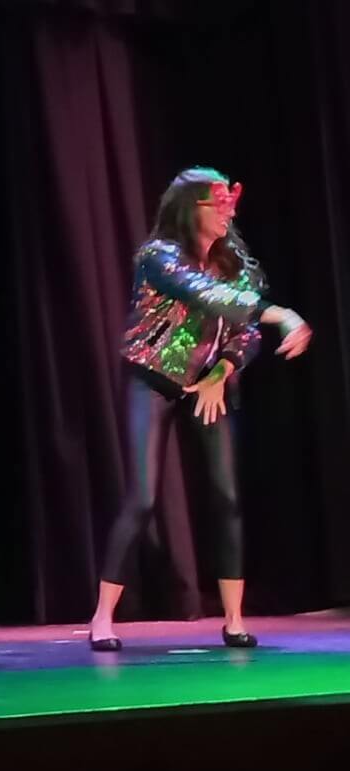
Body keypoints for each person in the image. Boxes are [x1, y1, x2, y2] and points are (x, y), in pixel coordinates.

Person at [87, 169, 312, 651]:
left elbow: (244, 334)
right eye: (219, 203)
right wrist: (282, 313)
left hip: (209, 384)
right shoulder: (159, 256)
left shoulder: (236, 263)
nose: (230, 211)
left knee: (226, 496)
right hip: (153, 378)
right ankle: (102, 617)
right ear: (193, 209)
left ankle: (233, 619)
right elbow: (207, 295)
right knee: (143, 498)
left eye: (230, 202)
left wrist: (222, 371)